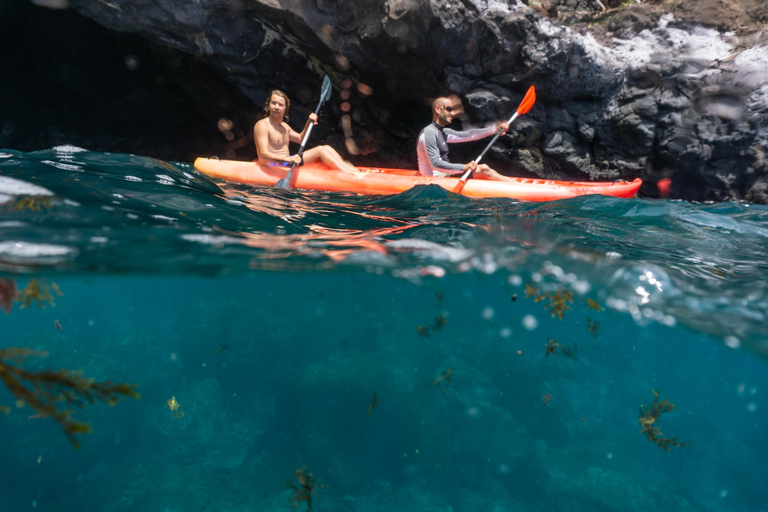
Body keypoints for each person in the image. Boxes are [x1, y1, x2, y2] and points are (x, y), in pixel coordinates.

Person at [254, 90, 357, 172]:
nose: (276, 107)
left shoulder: (284, 127)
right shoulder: (262, 125)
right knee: (320, 151)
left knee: (326, 148)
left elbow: (301, 139)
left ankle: (349, 169)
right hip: (274, 164)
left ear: (286, 108)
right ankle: (350, 173)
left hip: (287, 163)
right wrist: (288, 159)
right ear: (268, 105)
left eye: (280, 104)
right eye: (274, 103)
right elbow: (263, 153)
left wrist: (309, 123)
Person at [417, 96, 514, 181]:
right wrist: (464, 167)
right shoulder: (429, 132)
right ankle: (516, 186)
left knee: (483, 170)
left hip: (444, 177)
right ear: (438, 109)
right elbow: (435, 164)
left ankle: (513, 185)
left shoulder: (443, 132)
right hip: (434, 180)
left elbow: (469, 135)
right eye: (449, 109)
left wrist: (495, 129)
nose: (453, 113)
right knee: (483, 169)